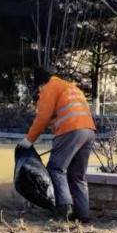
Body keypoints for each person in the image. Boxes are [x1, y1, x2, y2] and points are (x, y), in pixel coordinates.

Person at [19, 68, 96, 221]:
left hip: (71, 131)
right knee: (77, 175)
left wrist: (29, 140)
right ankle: (83, 215)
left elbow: (42, 117)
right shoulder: (70, 87)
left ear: (41, 83)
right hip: (89, 131)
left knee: (55, 169)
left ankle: (64, 210)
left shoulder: (49, 88)